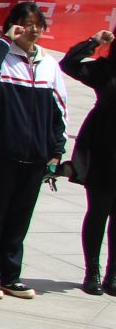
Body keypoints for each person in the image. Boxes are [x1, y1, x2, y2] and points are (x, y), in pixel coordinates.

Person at [0, 1, 68, 299]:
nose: (33, 30)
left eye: (37, 25)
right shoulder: (2, 57)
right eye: (26, 23)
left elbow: (59, 109)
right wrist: (5, 40)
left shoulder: (49, 64)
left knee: (20, 218)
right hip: (3, 153)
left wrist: (56, 149)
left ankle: (11, 275)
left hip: (36, 156)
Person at [61, 30, 116, 293]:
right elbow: (69, 64)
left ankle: (113, 274)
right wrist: (93, 42)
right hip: (104, 150)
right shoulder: (105, 70)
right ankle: (91, 271)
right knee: (98, 212)